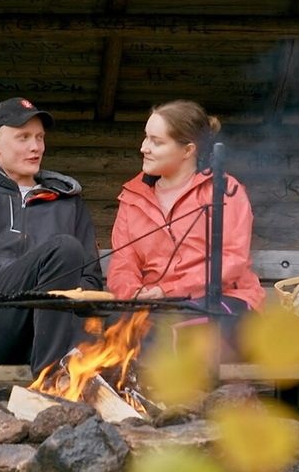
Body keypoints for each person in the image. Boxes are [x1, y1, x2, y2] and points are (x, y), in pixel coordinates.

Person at [0, 97, 105, 374]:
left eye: (39, 137)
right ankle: (51, 379)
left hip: (43, 331)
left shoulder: (67, 202)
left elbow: (90, 278)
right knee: (63, 249)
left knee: (133, 324)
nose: (35, 147)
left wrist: (54, 282)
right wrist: (36, 270)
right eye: (23, 137)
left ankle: (50, 379)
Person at [106, 100, 264, 342]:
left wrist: (169, 290)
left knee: (171, 330)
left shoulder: (224, 189)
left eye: (156, 142)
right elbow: (123, 263)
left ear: (188, 150)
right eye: (146, 138)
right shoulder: (132, 196)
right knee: (113, 327)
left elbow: (232, 259)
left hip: (223, 303)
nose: (143, 148)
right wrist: (134, 293)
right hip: (155, 308)